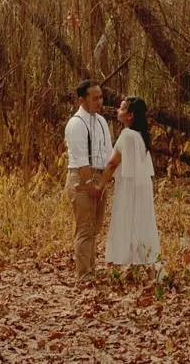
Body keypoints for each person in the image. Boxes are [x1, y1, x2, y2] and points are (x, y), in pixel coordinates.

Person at [97, 96, 160, 268]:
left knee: (125, 217)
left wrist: (99, 185)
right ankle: (140, 258)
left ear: (130, 115)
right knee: (140, 219)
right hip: (141, 185)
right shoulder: (141, 136)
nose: (118, 110)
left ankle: (125, 259)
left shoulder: (127, 135)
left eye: (122, 108)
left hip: (129, 185)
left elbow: (112, 163)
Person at [63, 79, 113, 278]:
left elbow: (108, 153)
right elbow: (82, 161)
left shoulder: (100, 121)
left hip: (100, 177)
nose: (99, 102)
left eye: (101, 97)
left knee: (95, 228)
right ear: (82, 100)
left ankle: (91, 268)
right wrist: (91, 184)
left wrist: (104, 181)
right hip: (82, 179)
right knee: (84, 228)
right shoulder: (76, 124)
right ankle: (84, 274)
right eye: (95, 98)